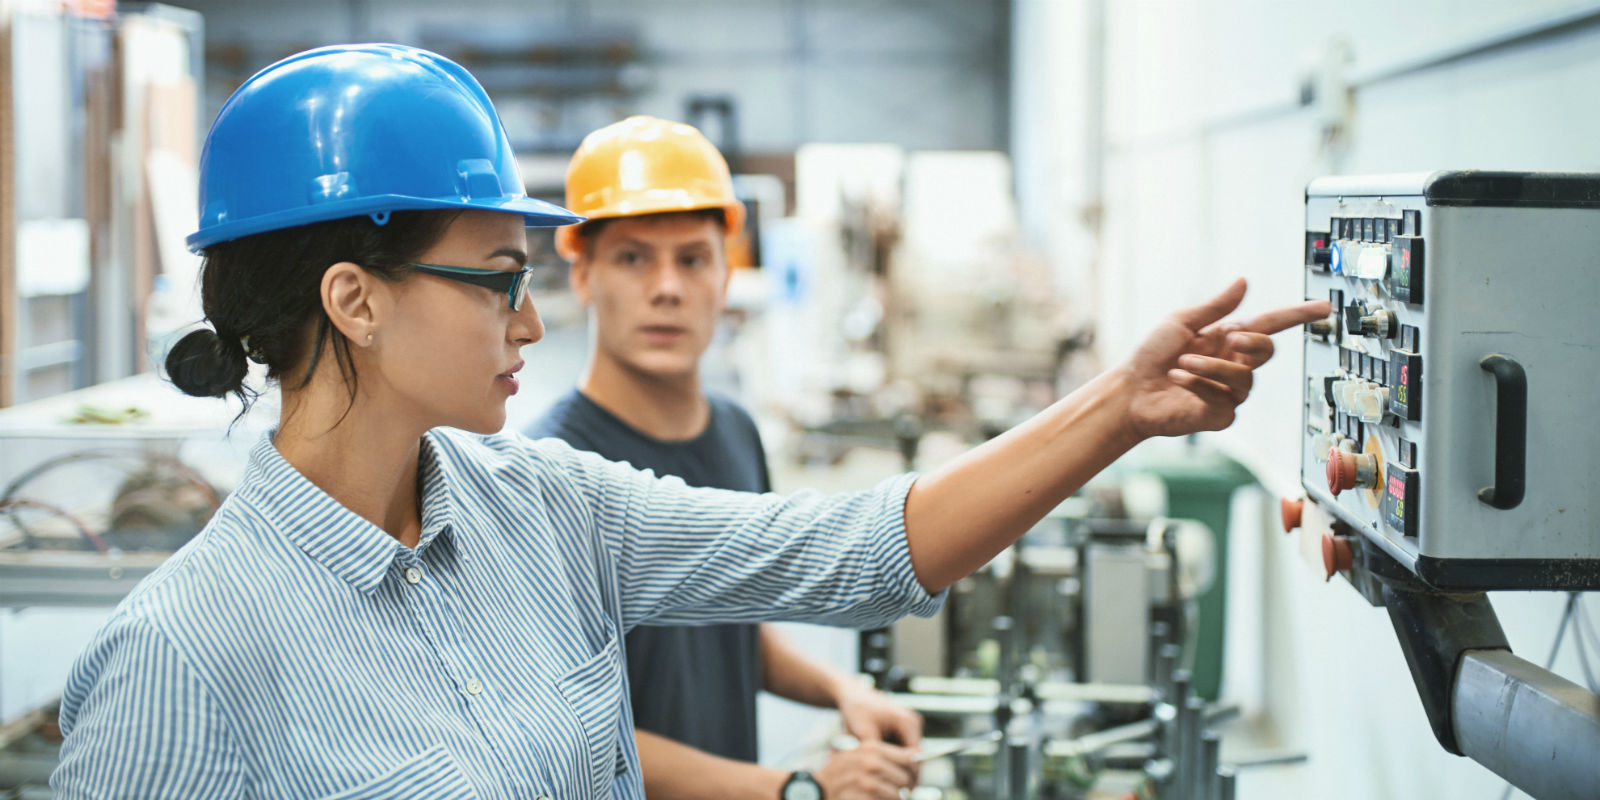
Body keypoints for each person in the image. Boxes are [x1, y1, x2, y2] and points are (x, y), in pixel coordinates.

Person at [49, 44, 1330, 800]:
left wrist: (1118, 406)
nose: (532, 320)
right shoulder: (183, 660)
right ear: (355, 301)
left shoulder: (543, 509)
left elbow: (851, 549)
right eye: (500, 277)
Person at [531, 116, 922, 800]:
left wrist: (842, 689)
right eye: (632, 258)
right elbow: (564, 734)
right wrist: (797, 787)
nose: (667, 288)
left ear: (725, 273)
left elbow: (729, 628)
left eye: (692, 258)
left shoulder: (737, 434)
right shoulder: (546, 470)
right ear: (583, 274)